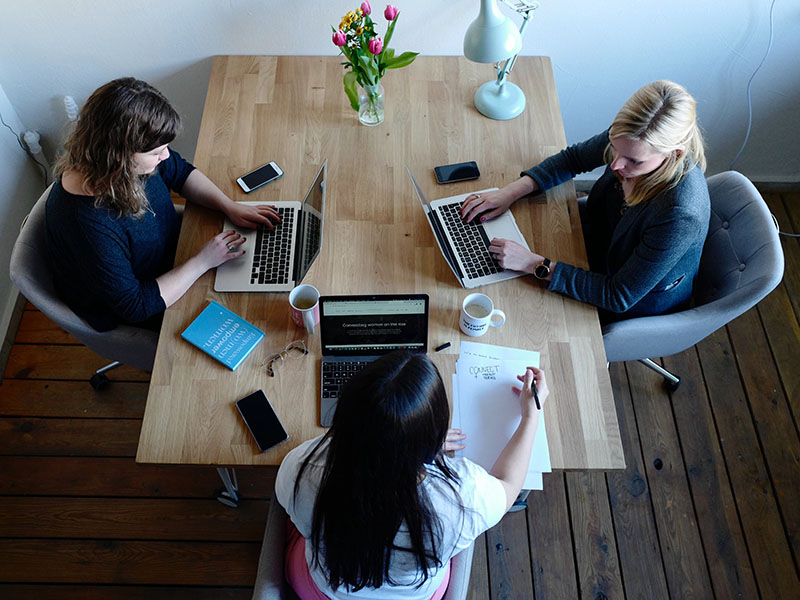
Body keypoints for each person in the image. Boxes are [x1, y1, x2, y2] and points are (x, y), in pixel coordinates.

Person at [275, 352, 548, 599]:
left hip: (322, 590)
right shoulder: (462, 498)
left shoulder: (301, 468)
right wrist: (530, 415)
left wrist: (402, 440)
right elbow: (508, 485)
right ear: (434, 437)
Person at [461, 80, 710, 322]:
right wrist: (510, 192)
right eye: (614, 148)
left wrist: (532, 263)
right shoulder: (631, 137)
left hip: (627, 301)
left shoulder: (679, 214)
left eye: (634, 161)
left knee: (522, 315)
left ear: (674, 154)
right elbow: (574, 159)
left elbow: (618, 295)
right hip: (594, 243)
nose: (615, 164)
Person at [45, 77, 280, 332]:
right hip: (149, 299)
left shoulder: (120, 165)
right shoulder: (87, 225)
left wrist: (228, 206)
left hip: (176, 254)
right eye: (156, 152)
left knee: (261, 281)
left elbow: (179, 172)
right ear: (118, 155)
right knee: (256, 314)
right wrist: (202, 262)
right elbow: (134, 306)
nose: (165, 156)